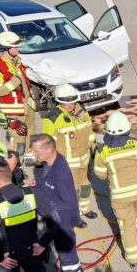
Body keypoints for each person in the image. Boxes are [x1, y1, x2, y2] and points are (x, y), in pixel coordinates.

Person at [93, 112, 137, 268]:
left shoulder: (103, 150)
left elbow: (100, 175)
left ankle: (133, 258)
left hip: (121, 196)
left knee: (126, 225)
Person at [30, 134, 85, 272]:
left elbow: (68, 202)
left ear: (48, 149)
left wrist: (47, 206)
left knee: (66, 254)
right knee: (66, 253)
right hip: (57, 219)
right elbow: (50, 187)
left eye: (36, 150)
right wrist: (38, 185)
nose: (34, 154)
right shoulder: (50, 163)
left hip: (62, 221)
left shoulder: (60, 172)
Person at [41, 84, 98, 220]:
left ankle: (85, 209)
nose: (69, 106)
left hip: (85, 159)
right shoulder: (53, 117)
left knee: (85, 186)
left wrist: (94, 150)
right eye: (65, 104)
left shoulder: (82, 112)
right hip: (68, 163)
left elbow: (90, 131)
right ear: (59, 102)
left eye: (71, 102)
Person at [0, 31, 34, 157]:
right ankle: (15, 160)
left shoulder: (17, 61)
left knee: (30, 132)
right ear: (7, 48)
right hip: (13, 109)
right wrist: (16, 81)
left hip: (26, 105)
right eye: (16, 46)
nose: (18, 48)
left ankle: (30, 156)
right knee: (17, 137)